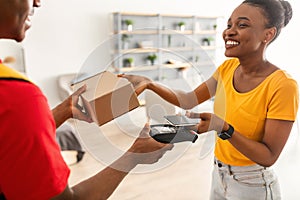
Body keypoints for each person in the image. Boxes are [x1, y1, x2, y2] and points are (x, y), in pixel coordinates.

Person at [119, 0, 299, 199]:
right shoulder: (227, 69)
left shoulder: (283, 85)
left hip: (254, 184)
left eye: (242, 25)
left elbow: (268, 156)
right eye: (229, 25)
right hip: (219, 174)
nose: (229, 32)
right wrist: (150, 83)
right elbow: (188, 99)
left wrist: (222, 127)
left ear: (268, 34)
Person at [0, 0, 173, 199]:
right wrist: (133, 156)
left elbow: (10, 137)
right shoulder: (18, 97)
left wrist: (66, 108)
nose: (37, 2)